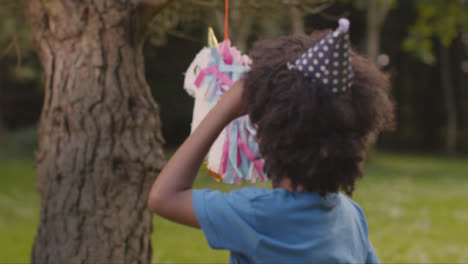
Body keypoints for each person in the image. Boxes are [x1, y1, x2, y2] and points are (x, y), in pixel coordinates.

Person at [148, 18, 394, 264]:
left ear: (268, 138)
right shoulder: (350, 216)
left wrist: (224, 110)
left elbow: (164, 197)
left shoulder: (258, 215)